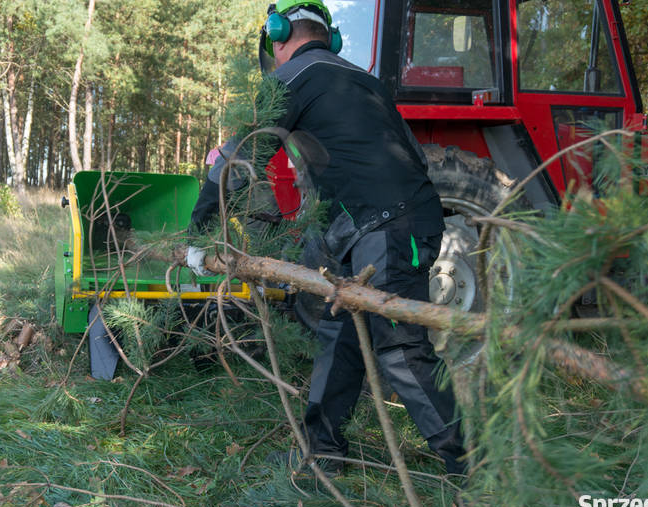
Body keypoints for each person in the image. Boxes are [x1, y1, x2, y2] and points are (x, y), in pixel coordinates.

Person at [186, 0, 466, 476]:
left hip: (390, 227)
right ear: (328, 36)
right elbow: (414, 158)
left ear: (277, 35)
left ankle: (477, 474)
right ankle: (323, 455)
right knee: (339, 335)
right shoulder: (365, 80)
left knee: (399, 349)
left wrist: (198, 233)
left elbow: (238, 159)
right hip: (377, 225)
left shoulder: (290, 78)